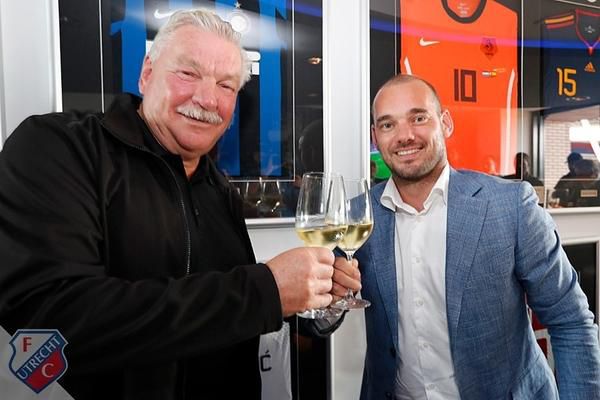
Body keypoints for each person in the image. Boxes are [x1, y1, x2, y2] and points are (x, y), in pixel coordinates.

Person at [0, 9, 360, 400]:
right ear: (147, 73)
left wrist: (316, 304)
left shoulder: (218, 190)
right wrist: (266, 291)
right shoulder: (60, 148)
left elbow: (230, 316)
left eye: (226, 85)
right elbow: (52, 326)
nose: (207, 99)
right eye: (188, 74)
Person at [355, 74, 600, 399]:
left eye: (418, 117)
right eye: (388, 125)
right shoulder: (358, 216)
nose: (405, 135)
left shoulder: (510, 206)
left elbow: (570, 321)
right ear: (375, 136)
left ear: (445, 123)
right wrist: (320, 302)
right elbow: (324, 312)